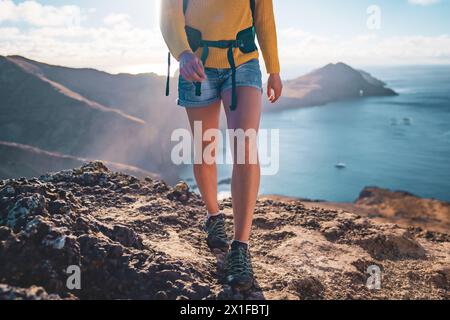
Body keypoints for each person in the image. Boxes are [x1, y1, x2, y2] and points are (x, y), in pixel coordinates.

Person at [160, 0, 282, 291]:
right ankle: (214, 216)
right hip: (196, 63)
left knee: (245, 147)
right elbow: (168, 15)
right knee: (204, 149)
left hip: (243, 63)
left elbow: (264, 19)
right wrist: (183, 53)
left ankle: (240, 247)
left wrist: (274, 69)